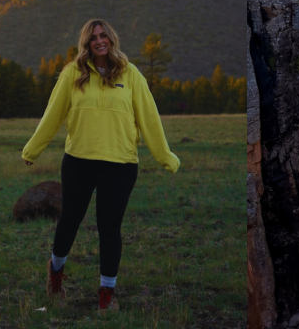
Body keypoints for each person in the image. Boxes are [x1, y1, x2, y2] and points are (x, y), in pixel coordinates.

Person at [20, 18, 180, 311]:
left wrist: (165, 156)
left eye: (103, 35)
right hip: (79, 161)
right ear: (86, 43)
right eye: (93, 37)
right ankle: (55, 273)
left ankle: (107, 295)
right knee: (70, 220)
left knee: (109, 227)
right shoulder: (73, 73)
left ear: (111, 39)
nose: (99, 41)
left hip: (120, 164)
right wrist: (33, 149)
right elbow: (53, 113)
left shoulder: (131, 74)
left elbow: (149, 118)